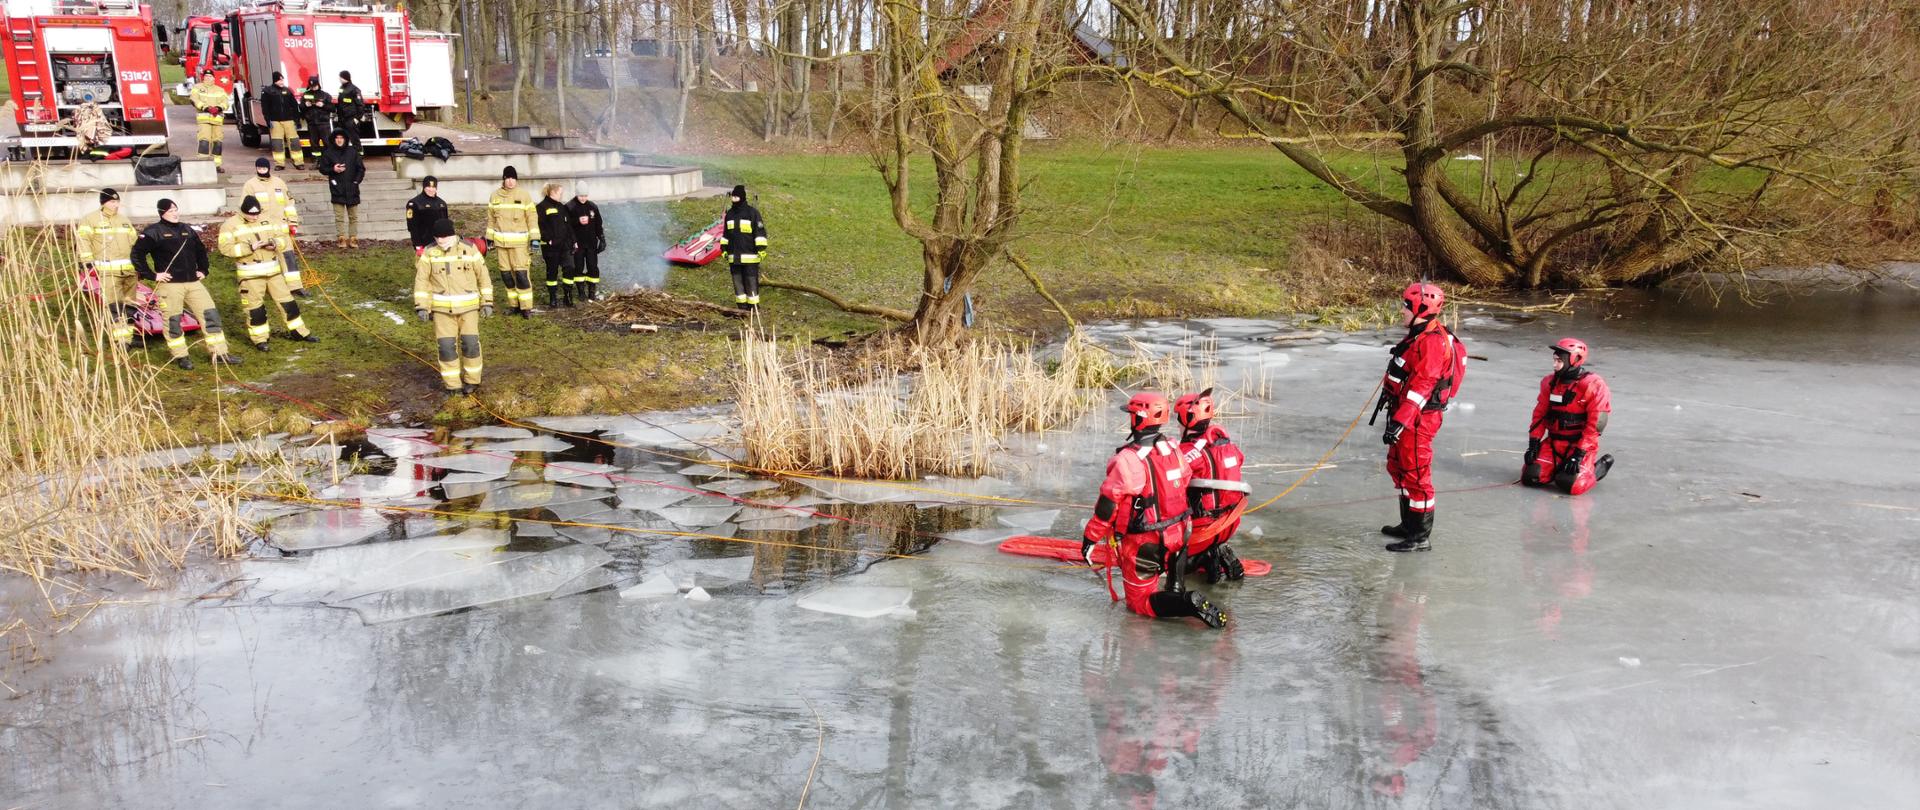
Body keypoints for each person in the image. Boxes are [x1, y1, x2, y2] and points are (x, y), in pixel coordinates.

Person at [1078, 392, 1227, 628]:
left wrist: (1090, 538)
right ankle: (1177, 591)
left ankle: (1187, 602)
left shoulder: (1127, 460)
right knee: (1171, 580)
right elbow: (1185, 478)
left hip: (1145, 542)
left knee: (1139, 602)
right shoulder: (1174, 449)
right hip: (1180, 534)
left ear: (1137, 419)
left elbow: (1108, 503)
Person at [1377, 283, 1467, 553]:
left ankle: (1420, 536)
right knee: (1399, 467)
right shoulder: (1418, 334)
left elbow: (1422, 387)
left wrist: (1400, 422)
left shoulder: (1432, 343)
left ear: (1421, 309)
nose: (1402, 312)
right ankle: (1408, 524)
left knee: (1416, 474)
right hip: (1406, 414)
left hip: (1419, 419)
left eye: (1406, 307)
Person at [132, 198, 238, 369]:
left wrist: (203, 269)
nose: (175, 213)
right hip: (170, 285)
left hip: (193, 283)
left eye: (176, 209)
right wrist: (152, 275)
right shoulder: (153, 232)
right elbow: (137, 255)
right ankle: (180, 356)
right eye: (170, 210)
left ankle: (220, 353)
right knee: (173, 321)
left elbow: (200, 251)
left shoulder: (187, 229)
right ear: (162, 213)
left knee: (210, 315)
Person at [219, 195, 318, 352]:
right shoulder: (230, 225)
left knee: (288, 303)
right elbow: (225, 249)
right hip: (250, 275)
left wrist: (274, 244)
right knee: (255, 309)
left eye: (257, 214)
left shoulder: (268, 220)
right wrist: (249, 248)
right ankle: (260, 340)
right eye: (251, 214)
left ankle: (299, 332)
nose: (255, 217)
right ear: (242, 212)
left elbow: (282, 239)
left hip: (273, 272)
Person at [413, 218, 493, 397]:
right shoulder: (429, 253)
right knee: (446, 348)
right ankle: (453, 386)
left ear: (452, 234)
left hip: (469, 309)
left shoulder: (469, 249)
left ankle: (473, 381)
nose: (441, 241)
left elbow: (484, 277)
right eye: (438, 237)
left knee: (471, 345)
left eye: (444, 237)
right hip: (442, 311)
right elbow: (421, 281)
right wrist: (422, 307)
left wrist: (487, 301)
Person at [1174, 388, 1248, 583]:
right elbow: (1239, 461)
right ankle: (1215, 550)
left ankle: (1204, 556)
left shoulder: (1187, 453)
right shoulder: (1227, 446)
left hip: (1203, 529)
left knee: (1170, 564)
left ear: (1186, 419)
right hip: (1229, 523)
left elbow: (1167, 482)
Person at [1524, 337, 1614, 494]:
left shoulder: (1594, 385)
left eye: (1559, 361)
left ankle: (1596, 469)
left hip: (1579, 446)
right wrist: (1534, 444)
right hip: (1554, 442)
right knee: (1531, 476)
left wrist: (1579, 454)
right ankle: (1556, 467)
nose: (1554, 365)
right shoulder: (1549, 383)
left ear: (1576, 359)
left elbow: (1596, 424)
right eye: (1554, 360)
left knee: (1569, 484)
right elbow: (1539, 415)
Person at [75, 188, 141, 349]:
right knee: (114, 306)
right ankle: (121, 340)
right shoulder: (90, 220)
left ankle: (129, 336)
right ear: (103, 203)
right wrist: (87, 263)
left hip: (129, 271)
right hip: (107, 271)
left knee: (130, 305)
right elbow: (83, 241)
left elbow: (135, 243)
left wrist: (140, 265)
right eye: (112, 202)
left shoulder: (124, 220)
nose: (116, 205)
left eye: (117, 201)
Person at [240, 157, 305, 296]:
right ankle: (266, 287)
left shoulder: (279, 183)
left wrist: (292, 223)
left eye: (264, 168)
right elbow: (244, 208)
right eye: (259, 169)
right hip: (262, 230)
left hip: (281, 228)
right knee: (266, 258)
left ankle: (295, 287)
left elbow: (289, 204)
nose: (261, 171)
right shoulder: (250, 185)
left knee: (288, 257)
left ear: (268, 168)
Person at [485, 166, 537, 317]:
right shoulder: (494, 196)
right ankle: (514, 305)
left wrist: (534, 238)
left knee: (521, 275)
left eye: (513, 178)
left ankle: (526, 308)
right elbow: (491, 219)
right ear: (503, 179)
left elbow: (532, 218)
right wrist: (489, 238)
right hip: (501, 245)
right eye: (507, 178)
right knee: (506, 276)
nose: (510, 181)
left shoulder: (524, 195)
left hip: (520, 244)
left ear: (516, 179)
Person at [720, 184, 767, 308]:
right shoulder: (729, 214)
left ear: (741, 197)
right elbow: (725, 234)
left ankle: (753, 308)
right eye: (733, 196)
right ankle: (741, 308)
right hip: (734, 257)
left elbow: (759, 233)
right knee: (737, 283)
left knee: (751, 281)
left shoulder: (752, 213)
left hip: (750, 257)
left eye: (736, 196)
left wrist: (761, 249)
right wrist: (724, 249)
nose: (733, 199)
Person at [319, 129, 365, 248]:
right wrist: (333, 169)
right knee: (339, 217)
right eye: (337, 138)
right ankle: (341, 238)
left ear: (345, 139)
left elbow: (361, 169)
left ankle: (353, 238)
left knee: (353, 216)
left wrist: (356, 182)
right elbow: (322, 168)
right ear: (334, 139)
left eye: (341, 138)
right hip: (337, 188)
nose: (339, 140)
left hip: (352, 188)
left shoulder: (352, 152)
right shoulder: (329, 152)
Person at [536, 182, 578, 308]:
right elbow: (540, 226)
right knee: (552, 272)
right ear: (553, 192)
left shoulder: (562, 207)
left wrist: (574, 240)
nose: (562, 195)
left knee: (570, 268)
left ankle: (568, 296)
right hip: (551, 247)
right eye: (560, 193)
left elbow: (568, 226)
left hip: (565, 245)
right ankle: (553, 298)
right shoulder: (541, 207)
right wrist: (548, 239)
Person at [564, 184, 605, 302]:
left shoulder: (592, 207)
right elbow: (566, 225)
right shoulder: (570, 207)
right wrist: (577, 221)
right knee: (579, 267)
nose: (583, 198)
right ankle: (581, 292)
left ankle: (591, 291)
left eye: (585, 196)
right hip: (578, 244)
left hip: (591, 243)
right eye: (581, 196)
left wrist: (601, 239)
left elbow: (598, 224)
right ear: (576, 194)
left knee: (593, 267)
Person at [187, 68, 229, 171]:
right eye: (206, 76)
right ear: (203, 77)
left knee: (217, 143)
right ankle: (203, 165)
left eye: (210, 76)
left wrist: (219, 108)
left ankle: (216, 165)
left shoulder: (220, 90)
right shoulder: (197, 87)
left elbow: (226, 102)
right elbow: (194, 99)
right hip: (204, 119)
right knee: (204, 141)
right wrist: (206, 107)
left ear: (214, 77)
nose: (208, 78)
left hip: (217, 120)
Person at [259, 71, 302, 170]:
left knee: (294, 142)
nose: (282, 81)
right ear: (275, 80)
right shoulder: (268, 91)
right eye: (280, 79)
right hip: (275, 121)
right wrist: (268, 120)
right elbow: (265, 108)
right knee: (277, 143)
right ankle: (279, 164)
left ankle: (298, 162)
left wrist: (297, 120)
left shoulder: (287, 91)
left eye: (282, 79)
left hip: (289, 120)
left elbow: (294, 106)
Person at [405, 176, 450, 253]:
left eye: (433, 187)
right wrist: (417, 245)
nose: (431, 189)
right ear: (423, 187)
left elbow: (446, 224)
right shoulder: (414, 203)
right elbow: (412, 226)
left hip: (440, 241)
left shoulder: (442, 203)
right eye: (428, 186)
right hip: (423, 241)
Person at [298, 77, 333, 165]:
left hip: (323, 123)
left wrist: (323, 105)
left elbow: (332, 108)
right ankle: (316, 160)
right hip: (312, 123)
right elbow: (301, 108)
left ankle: (328, 160)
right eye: (311, 86)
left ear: (318, 85)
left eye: (314, 86)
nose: (313, 87)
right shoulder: (306, 95)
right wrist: (305, 105)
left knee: (327, 142)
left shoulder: (325, 95)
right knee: (314, 144)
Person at [333, 70, 366, 145]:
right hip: (342, 118)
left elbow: (360, 105)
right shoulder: (341, 88)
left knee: (354, 139)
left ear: (345, 78)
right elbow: (341, 102)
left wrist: (357, 118)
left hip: (351, 119)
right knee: (344, 140)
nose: (339, 79)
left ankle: (359, 154)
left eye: (340, 77)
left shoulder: (354, 89)